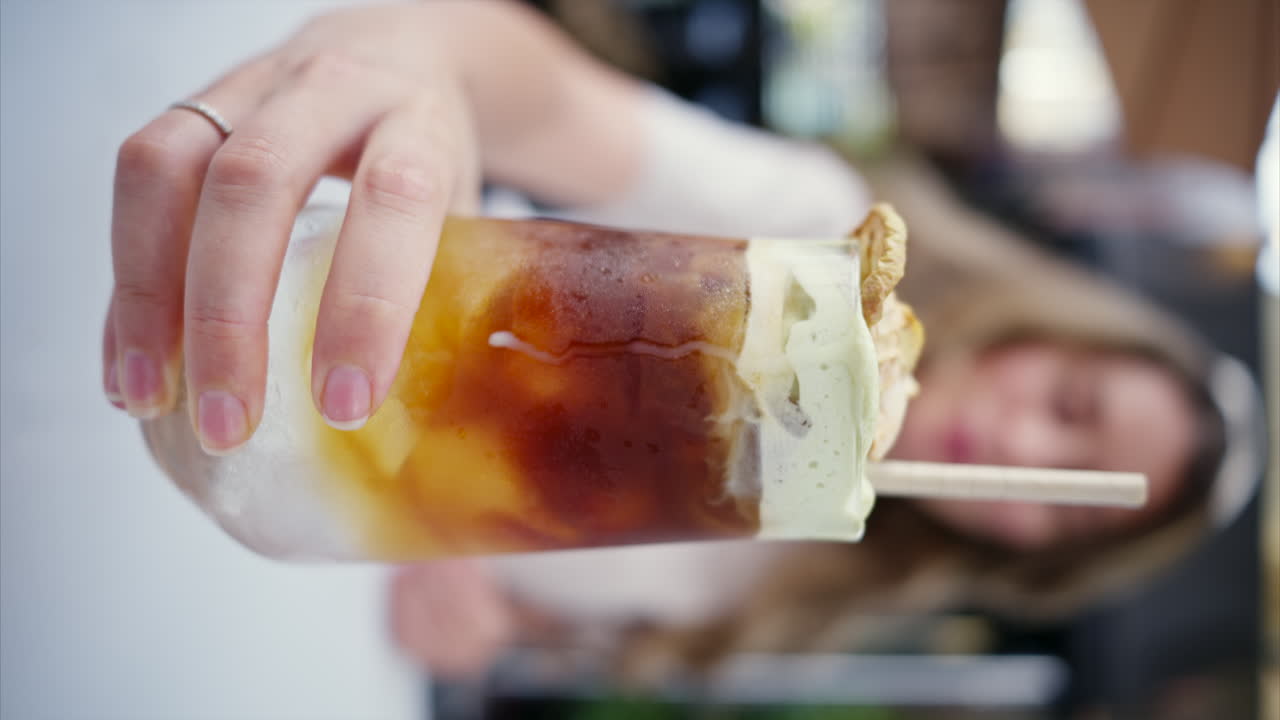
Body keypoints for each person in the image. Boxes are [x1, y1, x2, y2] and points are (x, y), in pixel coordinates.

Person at [100, 0, 1256, 685]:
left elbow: (526, 604)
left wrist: (488, 617)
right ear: (1040, 329)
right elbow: (536, 96)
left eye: (1054, 501)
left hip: (249, 551)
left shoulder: (810, 592)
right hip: (280, 289)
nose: (1012, 447)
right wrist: (424, 64)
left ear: (1032, 560)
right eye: (1064, 405)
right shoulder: (809, 238)